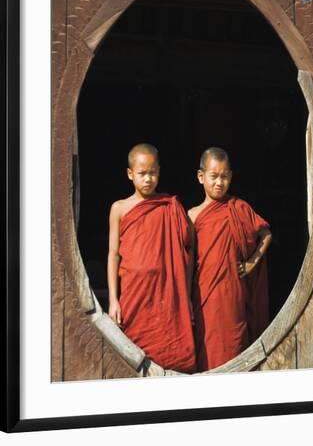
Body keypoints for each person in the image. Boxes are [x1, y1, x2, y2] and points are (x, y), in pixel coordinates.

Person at [107, 143, 196, 373]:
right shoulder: (120, 208)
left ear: (159, 171)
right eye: (142, 173)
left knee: (171, 355)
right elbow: (113, 254)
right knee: (130, 358)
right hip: (134, 295)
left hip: (167, 296)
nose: (148, 179)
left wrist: (185, 294)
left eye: (153, 172)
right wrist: (113, 300)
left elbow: (189, 245)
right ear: (130, 174)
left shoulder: (170, 206)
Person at [189, 147, 272, 372]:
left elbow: (266, 234)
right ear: (201, 177)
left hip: (233, 295)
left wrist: (252, 262)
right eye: (214, 176)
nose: (219, 182)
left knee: (234, 346)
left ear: (231, 177)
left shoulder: (239, 208)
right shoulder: (193, 216)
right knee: (207, 348)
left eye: (224, 177)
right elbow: (186, 262)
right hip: (204, 295)